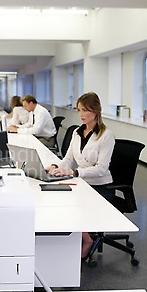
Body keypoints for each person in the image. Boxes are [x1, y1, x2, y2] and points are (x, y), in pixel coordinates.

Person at [47, 92, 115, 259]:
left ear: (96, 111)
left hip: (100, 186)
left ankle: (87, 240)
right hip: (82, 182)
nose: (82, 114)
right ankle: (80, 237)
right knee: (58, 198)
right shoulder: (78, 132)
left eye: (86, 110)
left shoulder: (106, 135)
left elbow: (101, 169)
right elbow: (68, 159)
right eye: (79, 110)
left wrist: (74, 172)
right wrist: (56, 167)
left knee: (71, 203)